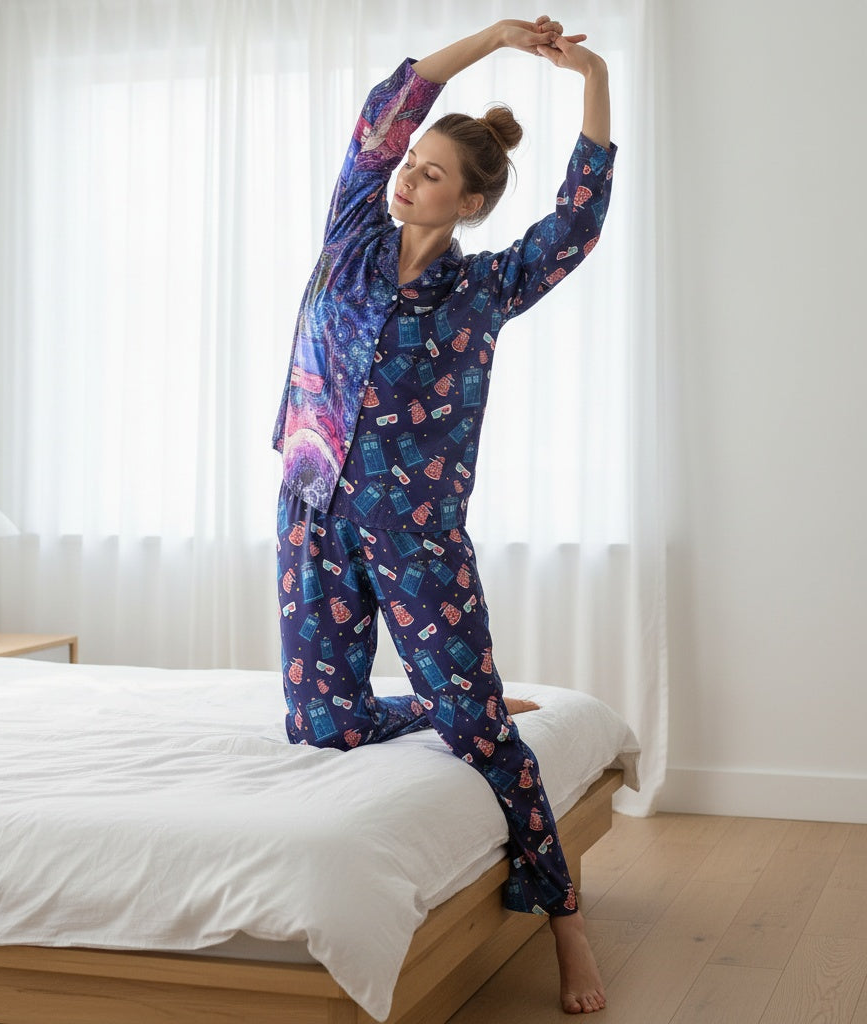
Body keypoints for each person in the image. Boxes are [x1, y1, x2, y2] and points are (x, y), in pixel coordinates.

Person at [272, 15, 615, 1015]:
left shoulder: (484, 287)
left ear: (468, 201)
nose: (406, 177)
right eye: (409, 165)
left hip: (414, 530)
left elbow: (578, 220)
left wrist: (589, 73)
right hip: (309, 507)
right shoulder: (348, 233)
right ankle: (435, 702)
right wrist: (497, 37)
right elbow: (394, 104)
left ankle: (565, 918)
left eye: (430, 174)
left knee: (481, 737)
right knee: (322, 724)